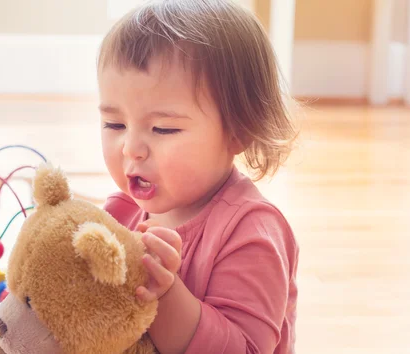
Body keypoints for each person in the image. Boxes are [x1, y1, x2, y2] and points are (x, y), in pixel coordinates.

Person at [97, 0, 300, 353]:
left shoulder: (252, 234)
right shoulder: (122, 212)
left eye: (163, 128)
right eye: (115, 124)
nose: (131, 148)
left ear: (238, 131)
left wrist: (165, 294)